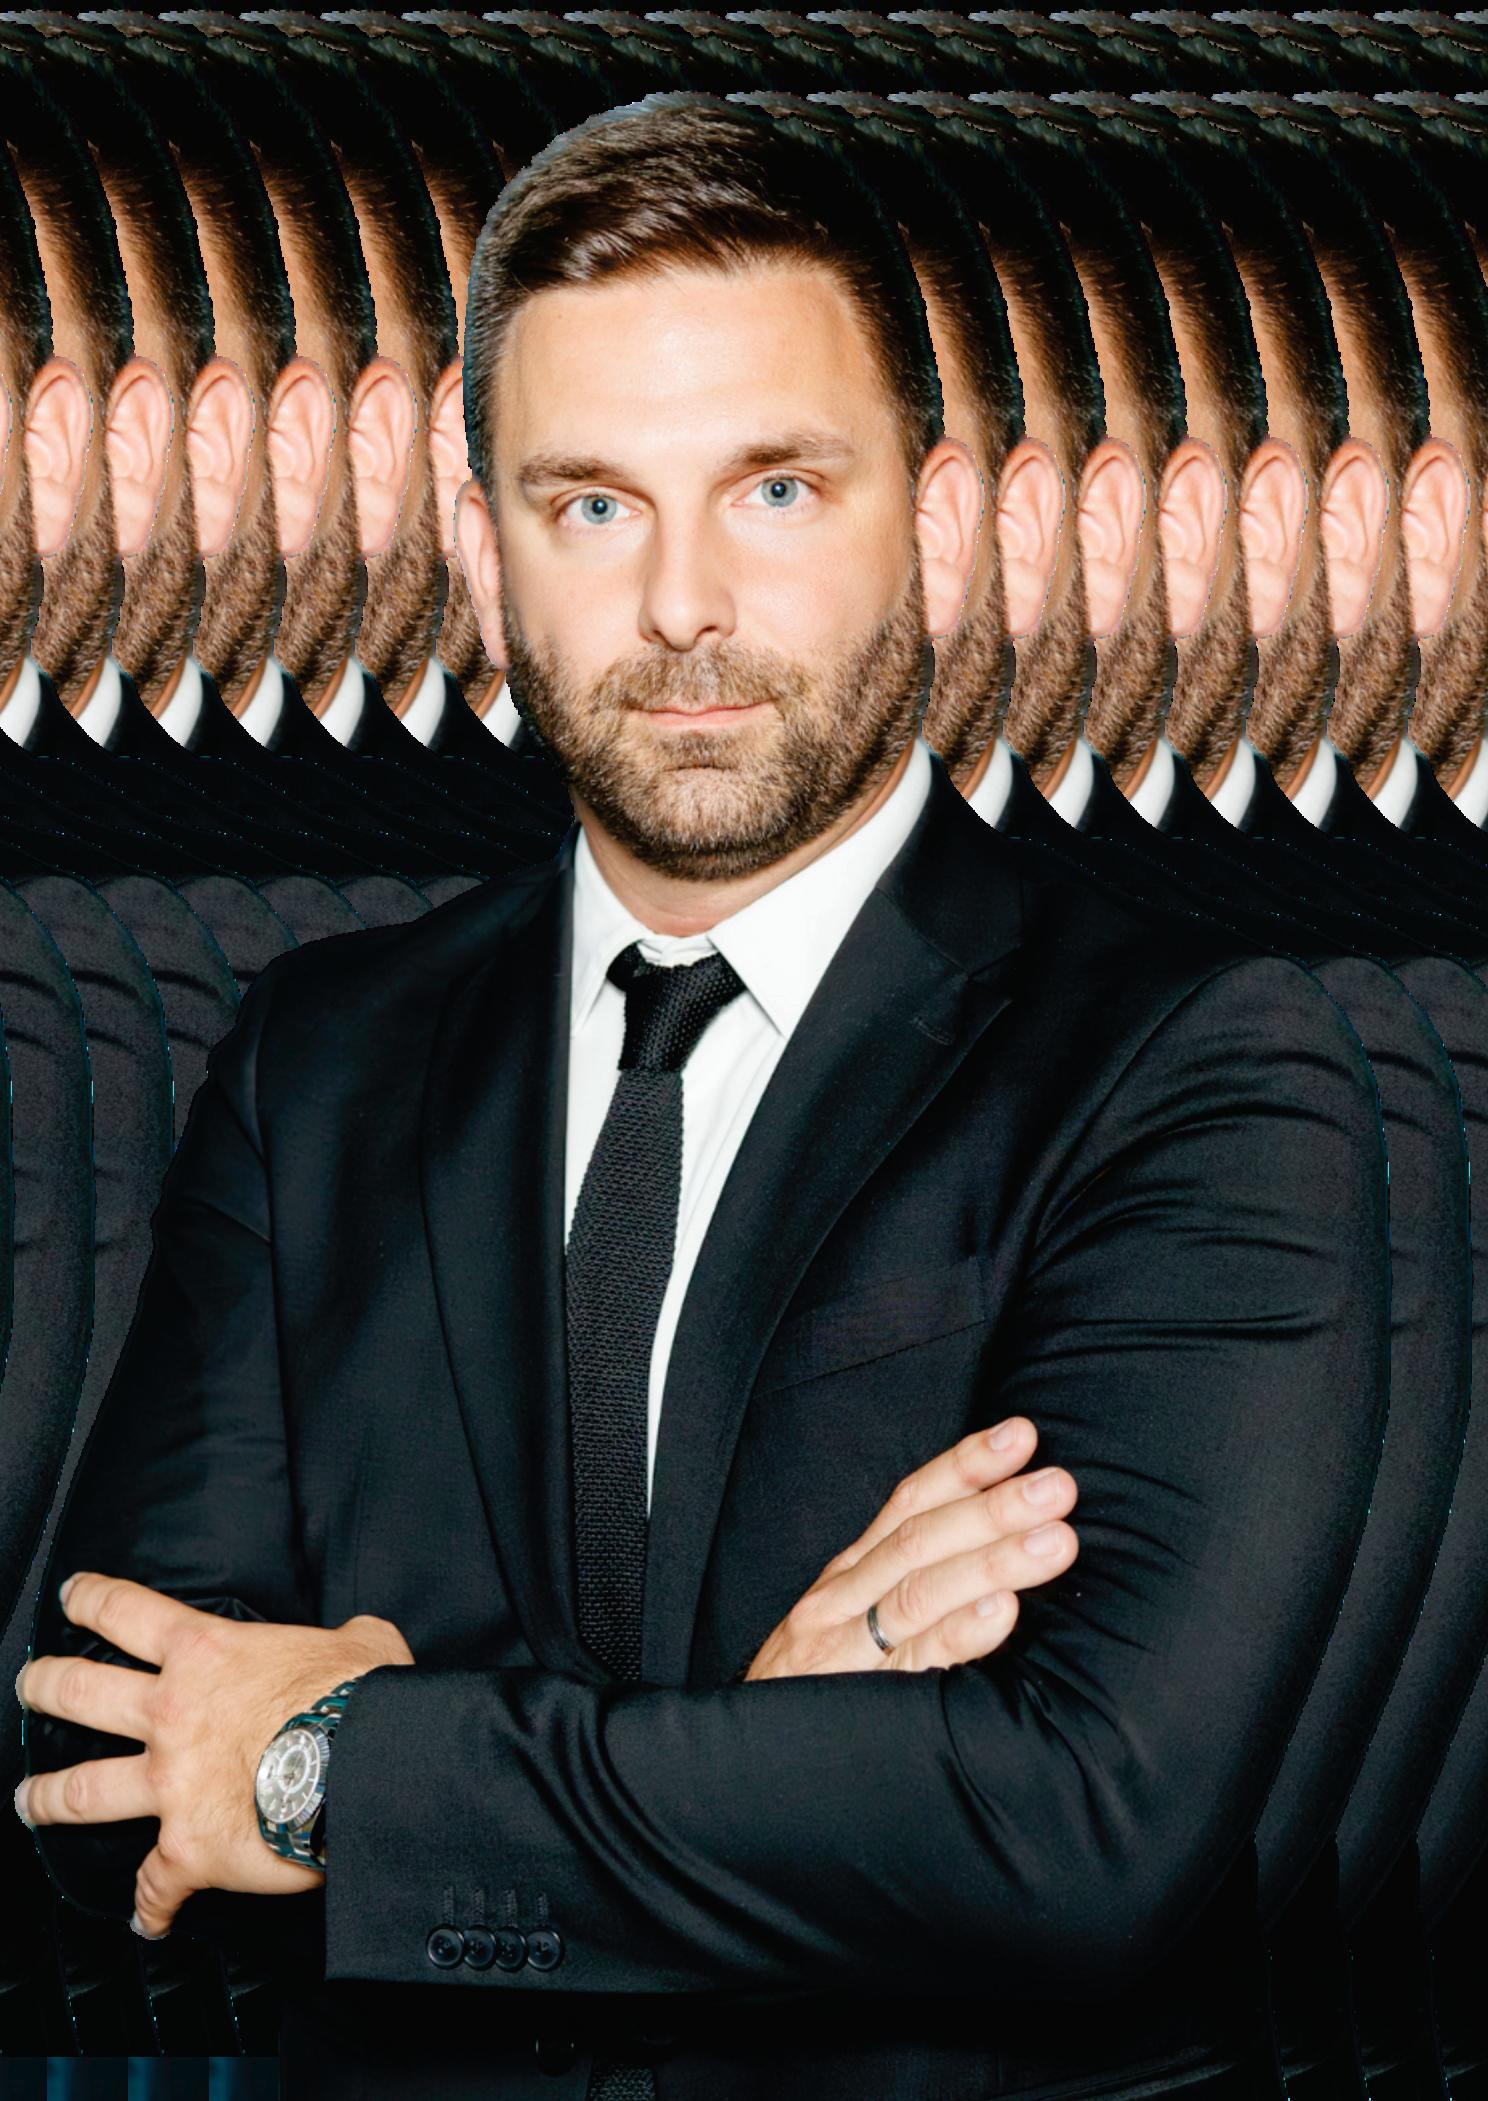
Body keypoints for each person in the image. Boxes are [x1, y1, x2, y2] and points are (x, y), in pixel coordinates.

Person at [18, 99, 1389, 2101]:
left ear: (934, 518)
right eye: (591, 503)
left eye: (776, 489)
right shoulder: (317, 1062)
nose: (681, 606)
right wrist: (772, 1747)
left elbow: (1078, 1829)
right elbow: (97, 1769)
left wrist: (333, 1771)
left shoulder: (1188, 1067)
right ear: (481, 551)